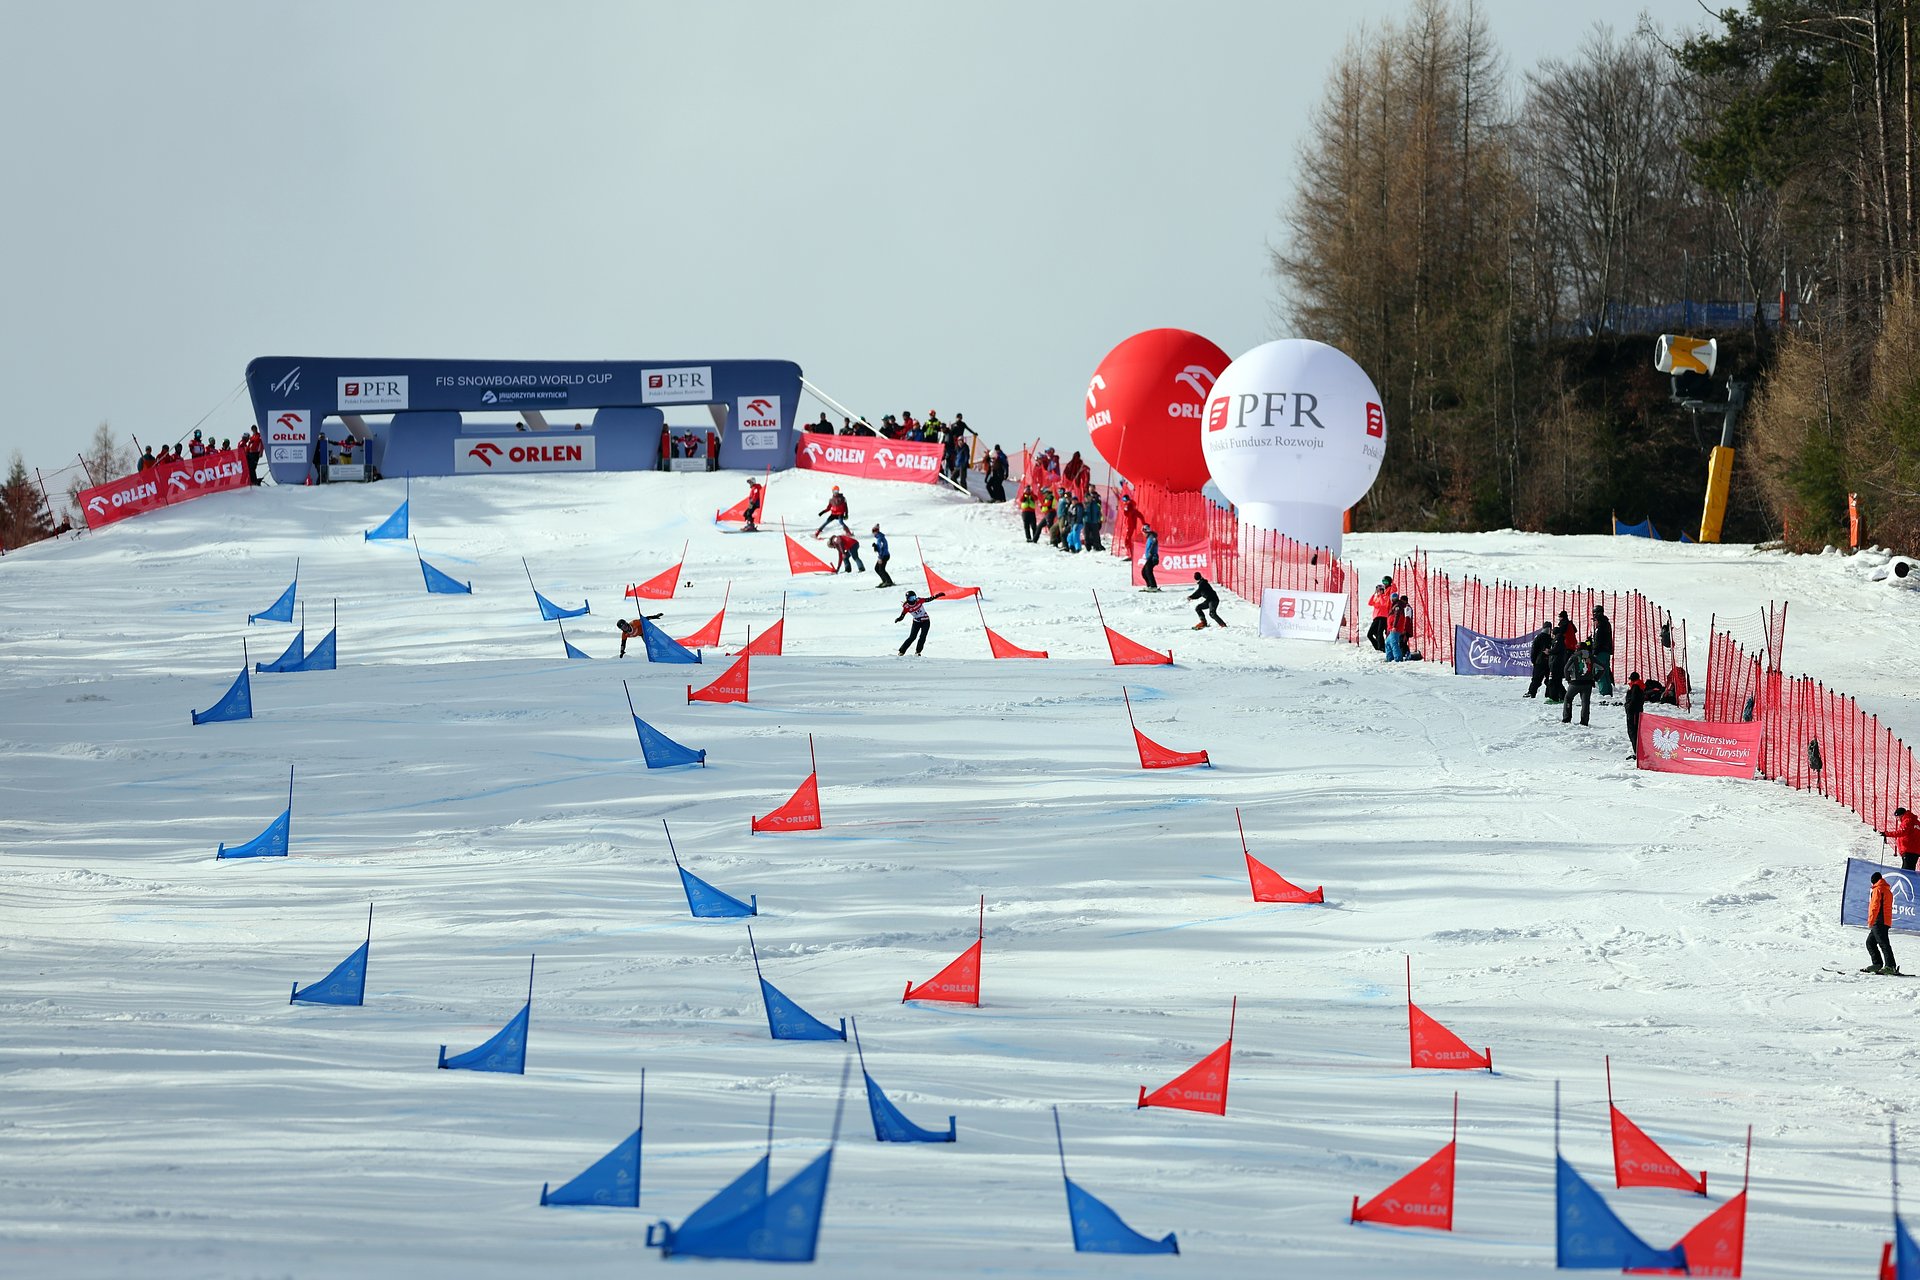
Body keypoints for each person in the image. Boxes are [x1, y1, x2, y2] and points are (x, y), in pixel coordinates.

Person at [1865, 871, 1903, 974]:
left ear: (1874, 881)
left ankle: (1890, 966)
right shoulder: (1887, 890)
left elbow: (1875, 907)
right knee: (1870, 942)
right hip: (1884, 921)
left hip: (1879, 921)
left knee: (1883, 944)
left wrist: (1871, 921)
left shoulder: (1878, 890)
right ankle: (1877, 964)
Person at [894, 589, 947, 656]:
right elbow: (902, 615)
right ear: (907, 599)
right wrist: (898, 619)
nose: (914, 600)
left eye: (914, 597)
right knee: (912, 637)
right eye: (911, 598)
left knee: (923, 637)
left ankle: (918, 652)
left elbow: (929, 599)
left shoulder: (919, 600)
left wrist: (937, 595)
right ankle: (902, 651)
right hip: (916, 622)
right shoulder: (906, 607)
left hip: (926, 621)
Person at [1563, 640, 1596, 726]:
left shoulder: (1574, 657)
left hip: (1575, 683)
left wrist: (1568, 678)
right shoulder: (1591, 657)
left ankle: (1567, 718)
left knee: (1568, 698)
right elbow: (1602, 668)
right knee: (1585, 702)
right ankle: (1584, 722)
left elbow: (1567, 669)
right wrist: (1595, 678)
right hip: (1588, 683)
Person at [1547, 610, 1575, 702]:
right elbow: (1575, 630)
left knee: (1559, 671)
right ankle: (1562, 694)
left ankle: (1556, 695)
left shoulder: (1563, 625)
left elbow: (1560, 632)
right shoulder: (1570, 623)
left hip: (1567, 647)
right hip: (1572, 646)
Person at [1590, 604, 1615, 696]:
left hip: (1600, 651)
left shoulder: (1600, 625)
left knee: (1600, 672)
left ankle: (1604, 692)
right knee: (1605, 671)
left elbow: (1598, 640)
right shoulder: (1606, 623)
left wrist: (1594, 651)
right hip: (1606, 651)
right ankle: (1608, 692)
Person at [1525, 621, 1554, 697]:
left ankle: (1531, 692)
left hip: (1539, 662)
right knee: (1549, 679)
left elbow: (1534, 650)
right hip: (1548, 662)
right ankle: (1549, 694)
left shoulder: (1538, 637)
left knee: (1536, 679)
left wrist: (1534, 660)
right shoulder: (1551, 639)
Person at [1366, 578, 1393, 652]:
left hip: (1383, 616)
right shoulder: (1377, 597)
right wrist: (1374, 594)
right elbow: (1370, 603)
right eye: (1378, 589)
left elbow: (1383, 604)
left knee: (1379, 632)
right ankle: (1378, 646)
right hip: (1376, 617)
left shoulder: (1385, 597)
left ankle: (1382, 647)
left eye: (1380, 589)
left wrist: (1381, 595)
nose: (1379, 591)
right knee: (1370, 634)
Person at [1889, 807, 1920, 871]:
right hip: (1914, 850)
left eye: (1897, 817)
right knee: (1910, 870)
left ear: (1901, 815)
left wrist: (1887, 834)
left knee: (1906, 872)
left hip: (1908, 849)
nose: (1897, 820)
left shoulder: (1907, 821)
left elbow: (1902, 832)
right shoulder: (1915, 821)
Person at [1624, 671, 1648, 751]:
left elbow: (1634, 700)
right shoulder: (1639, 686)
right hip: (1637, 711)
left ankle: (1637, 751)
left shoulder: (1635, 687)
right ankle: (1638, 751)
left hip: (1633, 713)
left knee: (1633, 732)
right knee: (1635, 731)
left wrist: (1628, 708)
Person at [1385, 594, 1411, 662]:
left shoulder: (1398, 605)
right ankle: (1389, 658)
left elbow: (1397, 616)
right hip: (1392, 628)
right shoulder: (1395, 605)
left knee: (1394, 643)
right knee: (1387, 642)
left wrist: (1394, 626)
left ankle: (1398, 658)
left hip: (1396, 628)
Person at [1139, 524, 1161, 591]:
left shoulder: (1151, 537)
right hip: (1150, 557)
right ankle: (1150, 586)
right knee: (1144, 572)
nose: (1143, 534)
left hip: (1152, 557)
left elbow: (1154, 542)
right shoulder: (1150, 537)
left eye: (1143, 533)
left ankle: (1153, 586)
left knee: (1148, 571)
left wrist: (1151, 552)